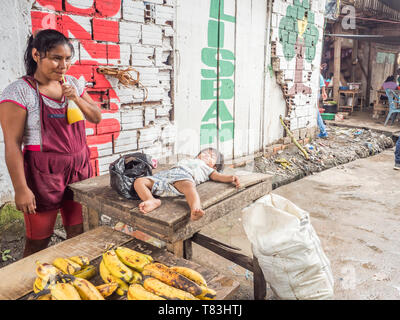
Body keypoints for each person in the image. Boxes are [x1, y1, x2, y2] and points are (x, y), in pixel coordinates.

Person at [0, 29, 102, 257]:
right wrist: (20, 189)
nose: (63, 65)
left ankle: (73, 279)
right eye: (56, 58)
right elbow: (12, 145)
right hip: (42, 173)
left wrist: (75, 97)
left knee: (78, 230)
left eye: (67, 59)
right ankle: (24, 287)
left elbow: (96, 117)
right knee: (39, 240)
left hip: (79, 168)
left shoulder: (73, 84)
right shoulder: (19, 91)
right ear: (37, 55)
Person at [133, 147, 241, 221]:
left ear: (214, 166)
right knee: (139, 182)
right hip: (164, 177)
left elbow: (218, 176)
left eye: (212, 156)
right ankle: (151, 200)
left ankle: (195, 210)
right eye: (205, 152)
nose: (207, 155)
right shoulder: (189, 160)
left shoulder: (208, 169)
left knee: (190, 189)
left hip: (184, 178)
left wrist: (231, 178)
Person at [317, 64, 328, 139]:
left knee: (315, 112)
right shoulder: (318, 75)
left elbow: (322, 85)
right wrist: (323, 92)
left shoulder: (318, 75)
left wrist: (324, 92)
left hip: (315, 93)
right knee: (315, 112)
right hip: (315, 93)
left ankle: (323, 131)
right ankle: (323, 131)